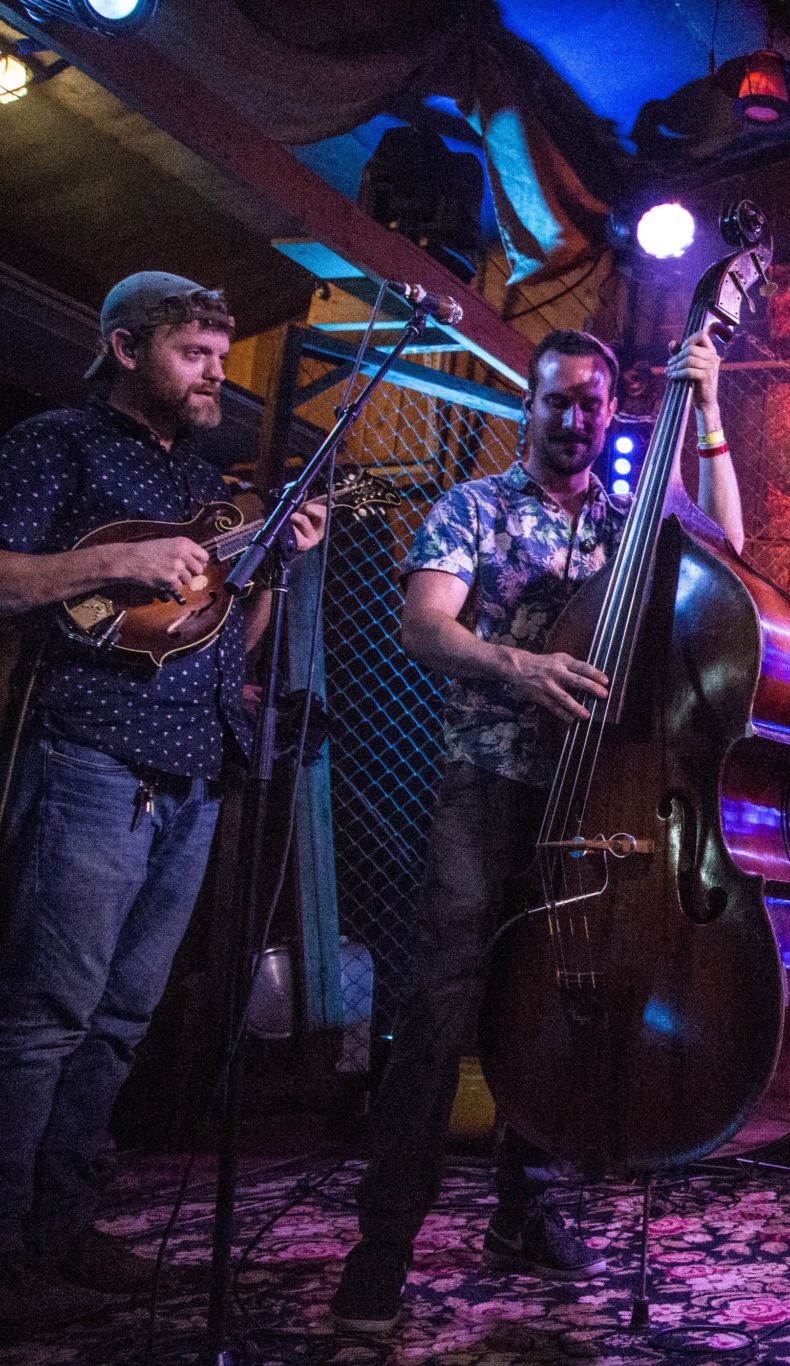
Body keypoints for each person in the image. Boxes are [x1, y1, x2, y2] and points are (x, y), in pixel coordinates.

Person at [329, 325, 743, 1333]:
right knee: (442, 1003)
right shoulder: (472, 507)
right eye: (556, 400)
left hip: (600, 795)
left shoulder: (631, 521)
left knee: (565, 991)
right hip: (488, 782)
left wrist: (711, 409)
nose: (573, 418)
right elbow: (423, 625)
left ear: (611, 414)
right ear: (530, 405)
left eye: (590, 404)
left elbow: (732, 558)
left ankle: (526, 1209)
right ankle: (384, 1241)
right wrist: (523, 667)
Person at [0, 273, 327, 1330]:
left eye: (221, 359)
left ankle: (61, 1227)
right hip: (90, 756)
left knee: (121, 1019)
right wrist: (119, 557)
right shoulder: (58, 444)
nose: (214, 377)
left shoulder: (204, 482)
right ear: (126, 348)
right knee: (46, 1014)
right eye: (195, 355)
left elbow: (223, 633)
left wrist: (268, 571)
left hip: (193, 770)